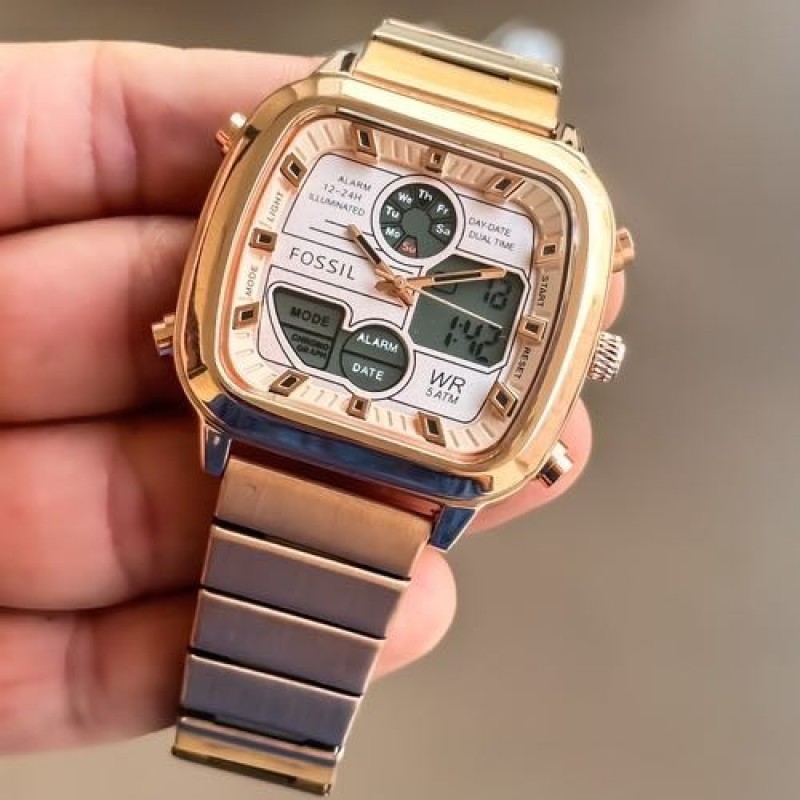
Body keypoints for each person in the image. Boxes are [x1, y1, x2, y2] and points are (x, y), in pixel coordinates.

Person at [0, 41, 623, 754]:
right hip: (267, 409)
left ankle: (261, 738)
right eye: (396, 281)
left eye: (410, 288)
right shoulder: (317, 131)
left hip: (381, 456)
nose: (398, 290)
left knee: (268, 715)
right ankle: (251, 736)